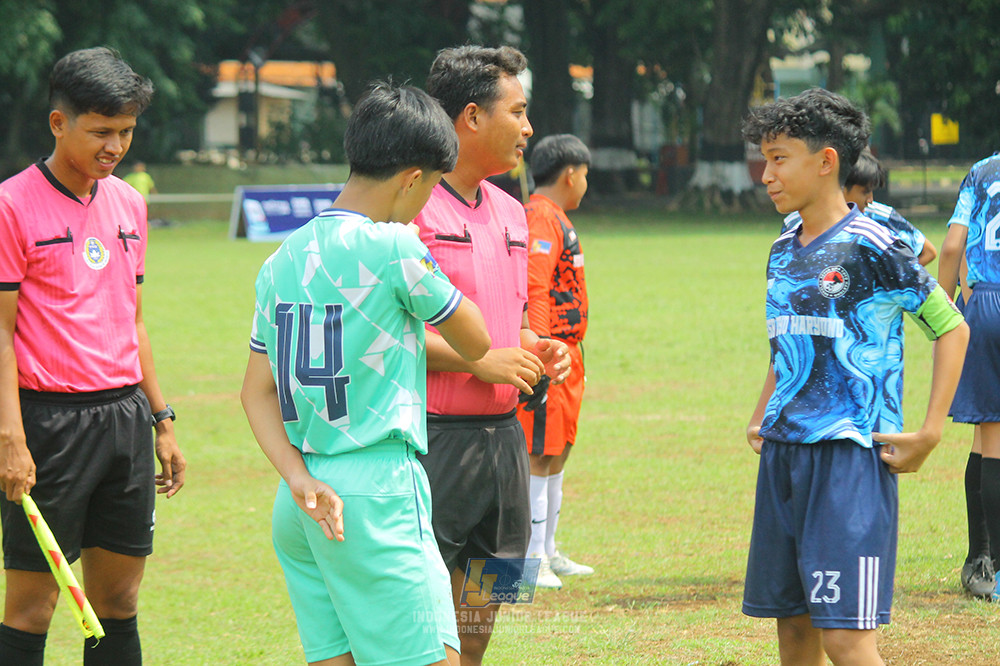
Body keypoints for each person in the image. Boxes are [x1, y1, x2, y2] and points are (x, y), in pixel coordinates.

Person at [240, 81, 491, 666]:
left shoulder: (280, 259)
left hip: (301, 496)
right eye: (431, 186)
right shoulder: (395, 248)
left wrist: (299, 480)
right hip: (375, 494)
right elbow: (476, 340)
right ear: (411, 178)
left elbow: (255, 393)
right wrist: (417, 252)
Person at [742, 88, 969, 666]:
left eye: (779, 158)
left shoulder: (874, 245)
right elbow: (791, 338)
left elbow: (951, 328)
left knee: (844, 637)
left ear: (827, 162)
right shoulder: (780, 248)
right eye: (764, 159)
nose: (766, 174)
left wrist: (930, 431)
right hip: (785, 454)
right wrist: (763, 409)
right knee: (792, 630)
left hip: (849, 455)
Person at [0, 47, 186, 666]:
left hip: (125, 421)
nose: (116, 146)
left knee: (120, 601)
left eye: (126, 132)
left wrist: (161, 420)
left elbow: (132, 319)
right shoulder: (11, 204)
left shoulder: (129, 204)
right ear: (59, 123)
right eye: (101, 131)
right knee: (33, 606)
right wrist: (11, 437)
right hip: (49, 425)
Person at [413, 45, 571, 666]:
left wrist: (534, 349)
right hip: (433, 443)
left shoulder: (511, 210)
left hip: (505, 442)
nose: (529, 129)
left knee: (479, 624)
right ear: (471, 117)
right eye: (520, 112)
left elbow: (506, 322)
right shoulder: (410, 206)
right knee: (430, 631)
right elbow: (381, 333)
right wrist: (478, 363)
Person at [515, 134, 594, 589]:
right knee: (539, 452)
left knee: (559, 448)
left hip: (571, 356)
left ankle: (548, 550)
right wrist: (542, 348)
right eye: (585, 175)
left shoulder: (555, 217)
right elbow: (536, 285)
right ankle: (529, 561)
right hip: (553, 353)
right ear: (570, 173)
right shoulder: (541, 218)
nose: (586, 184)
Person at [938, 151, 1000, 600]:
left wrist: (944, 308)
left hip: (986, 304)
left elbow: (953, 247)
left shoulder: (982, 170)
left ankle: (982, 559)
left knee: (988, 436)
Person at [781, 147, 938, 266]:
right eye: (865, 192)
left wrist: (889, 286)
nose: (870, 200)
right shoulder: (795, 223)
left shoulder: (879, 216)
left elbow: (927, 252)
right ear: (841, 186)